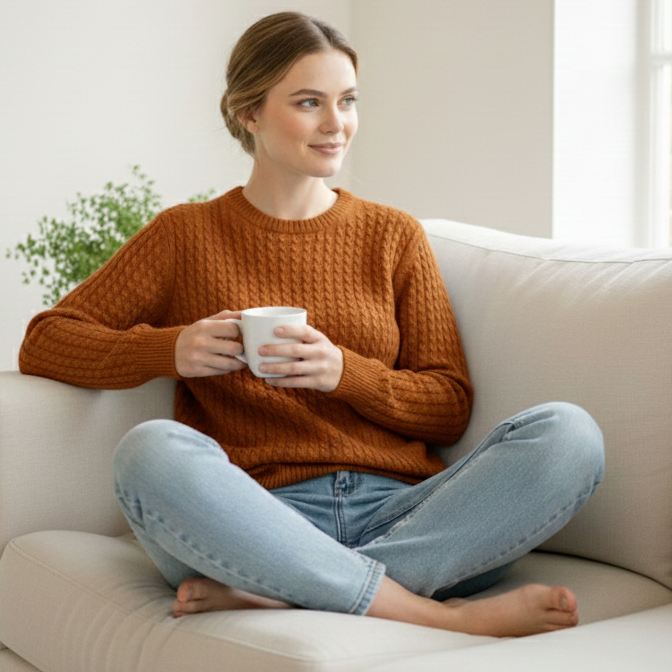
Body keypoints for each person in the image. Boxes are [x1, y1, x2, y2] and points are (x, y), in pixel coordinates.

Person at [19, 12, 604, 637]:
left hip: (406, 513)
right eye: (309, 103)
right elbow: (46, 341)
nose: (337, 124)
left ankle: (290, 588)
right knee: (150, 452)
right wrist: (174, 349)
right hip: (254, 518)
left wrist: (344, 374)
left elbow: (449, 407)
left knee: (570, 436)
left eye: (347, 101)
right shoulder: (184, 235)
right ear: (250, 113)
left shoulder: (392, 235)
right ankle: (427, 611)